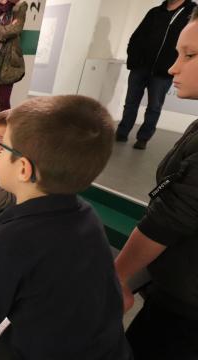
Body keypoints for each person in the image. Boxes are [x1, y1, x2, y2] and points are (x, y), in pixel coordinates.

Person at [0, 95, 132, 359]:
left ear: (24, 168)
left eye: (1, 147)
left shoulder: (12, 237)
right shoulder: (86, 215)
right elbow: (34, 268)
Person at [115, 8, 198, 359]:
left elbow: (170, 217)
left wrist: (116, 277)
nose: (172, 68)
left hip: (184, 311)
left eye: (190, 56)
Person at [115, 0, 196, 150]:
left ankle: (143, 138)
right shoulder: (154, 12)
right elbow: (136, 37)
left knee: (154, 107)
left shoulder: (190, 14)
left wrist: (171, 66)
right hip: (140, 68)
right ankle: (122, 132)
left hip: (162, 73)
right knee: (130, 102)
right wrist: (133, 59)